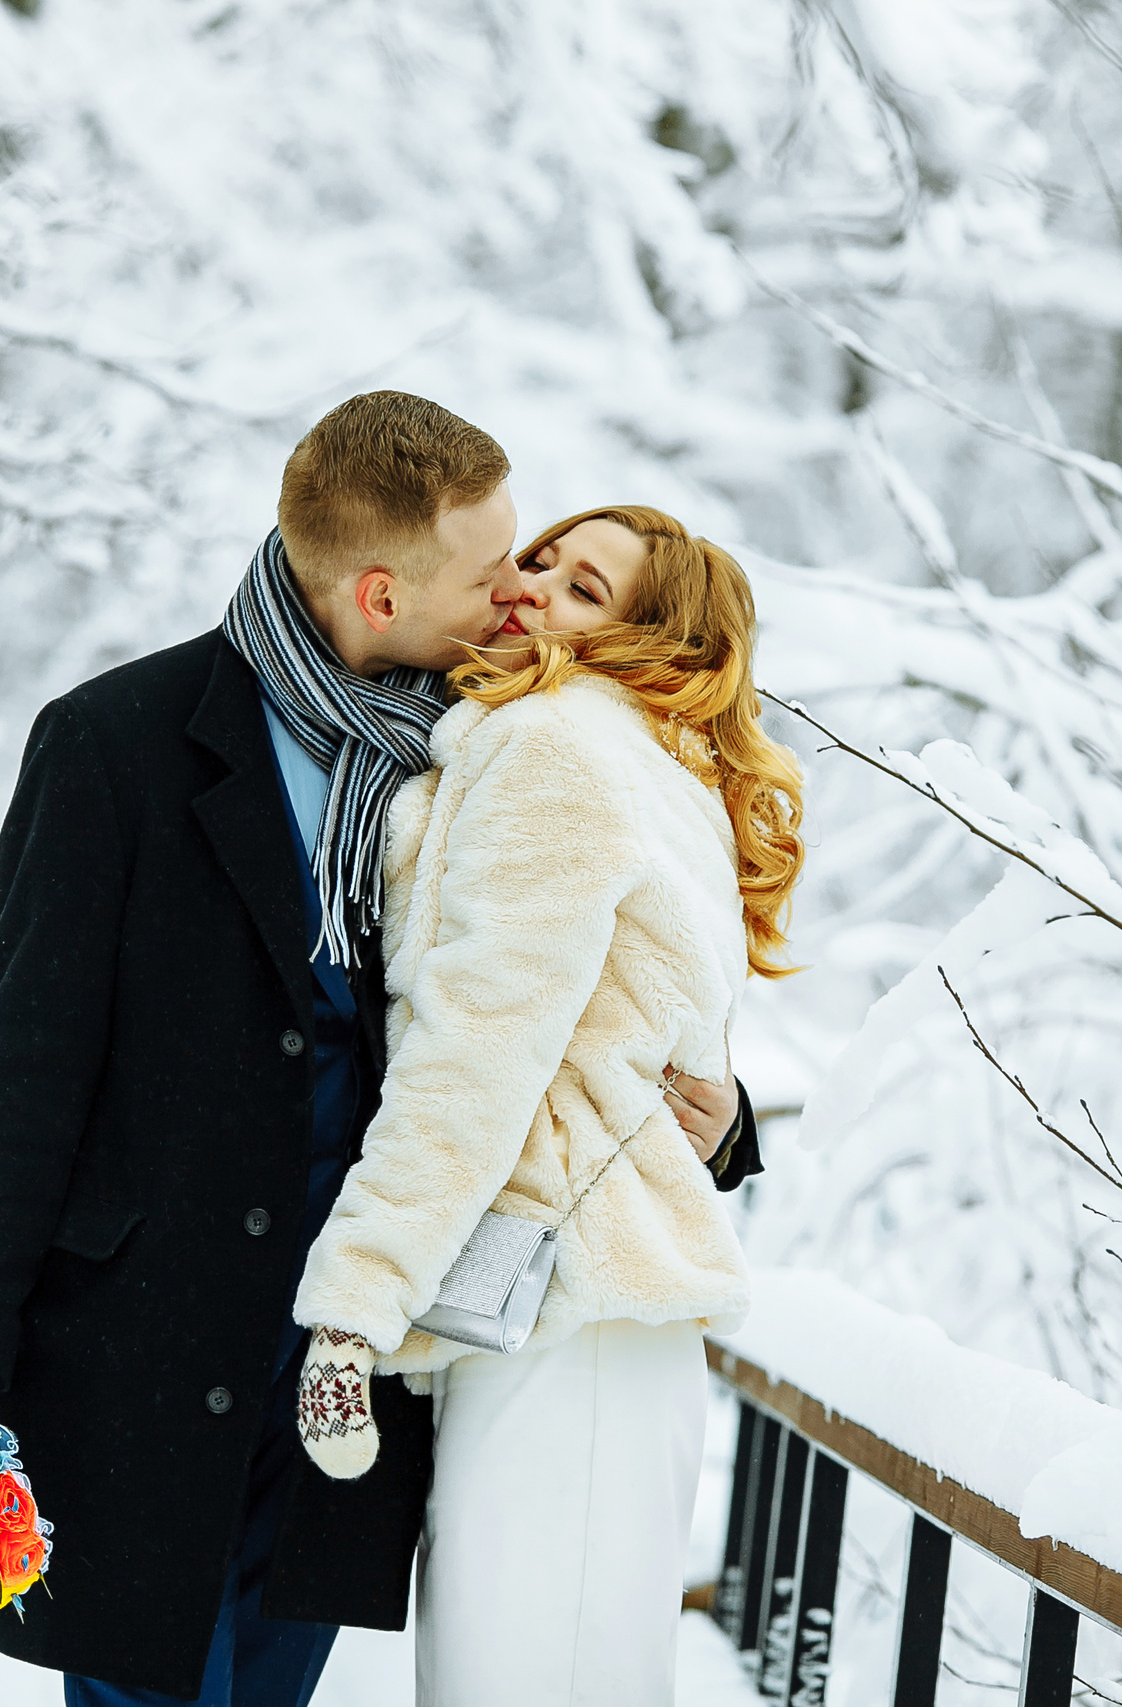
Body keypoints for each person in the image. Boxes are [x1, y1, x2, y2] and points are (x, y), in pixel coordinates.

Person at [0, 395, 765, 1705]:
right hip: (143, 1355)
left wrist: (721, 1115)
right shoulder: (115, 745)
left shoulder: (474, 751)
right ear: (377, 588)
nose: (513, 595)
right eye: (495, 570)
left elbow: (561, 997)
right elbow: (28, 1068)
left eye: (537, 563)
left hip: (344, 1380)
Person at [289, 505, 804, 1706]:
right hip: (588, 1314)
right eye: (539, 559)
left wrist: (354, 1305)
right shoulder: (640, 759)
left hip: (562, 1315)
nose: (527, 590)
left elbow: (475, 1053)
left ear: (643, 645)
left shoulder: (554, 748)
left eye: (581, 590)